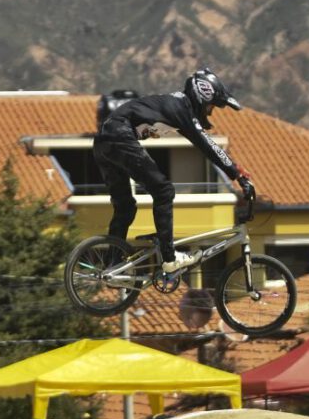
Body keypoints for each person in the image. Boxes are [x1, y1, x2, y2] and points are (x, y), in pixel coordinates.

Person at [94, 67, 256, 273]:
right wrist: (237, 172)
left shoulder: (174, 106)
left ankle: (112, 264)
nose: (210, 112)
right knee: (164, 191)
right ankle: (169, 258)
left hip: (102, 143)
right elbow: (206, 144)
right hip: (119, 136)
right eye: (210, 107)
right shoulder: (180, 107)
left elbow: (201, 141)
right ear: (201, 97)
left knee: (125, 207)